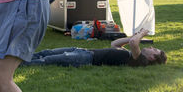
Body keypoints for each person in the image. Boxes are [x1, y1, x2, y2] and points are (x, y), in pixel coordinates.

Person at [23, 29, 167, 68]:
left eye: (155, 50)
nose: (152, 47)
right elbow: (115, 44)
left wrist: (142, 34)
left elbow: (134, 44)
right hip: (82, 51)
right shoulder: (129, 54)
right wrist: (133, 36)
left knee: (46, 60)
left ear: (152, 57)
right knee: (45, 53)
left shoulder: (139, 60)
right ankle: (17, 59)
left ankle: (17, 65)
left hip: (85, 58)